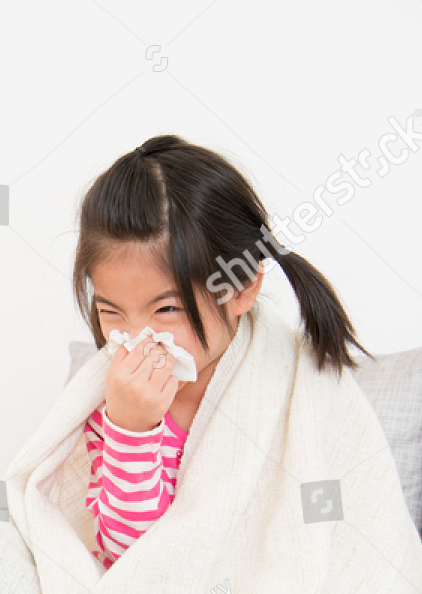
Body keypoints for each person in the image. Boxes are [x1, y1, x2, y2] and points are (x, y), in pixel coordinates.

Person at [77, 133, 369, 567]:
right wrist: (130, 430)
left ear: (242, 288)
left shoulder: (299, 387)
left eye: (167, 308)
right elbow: (132, 564)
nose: (139, 338)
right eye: (112, 312)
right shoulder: (114, 403)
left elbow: (340, 546)